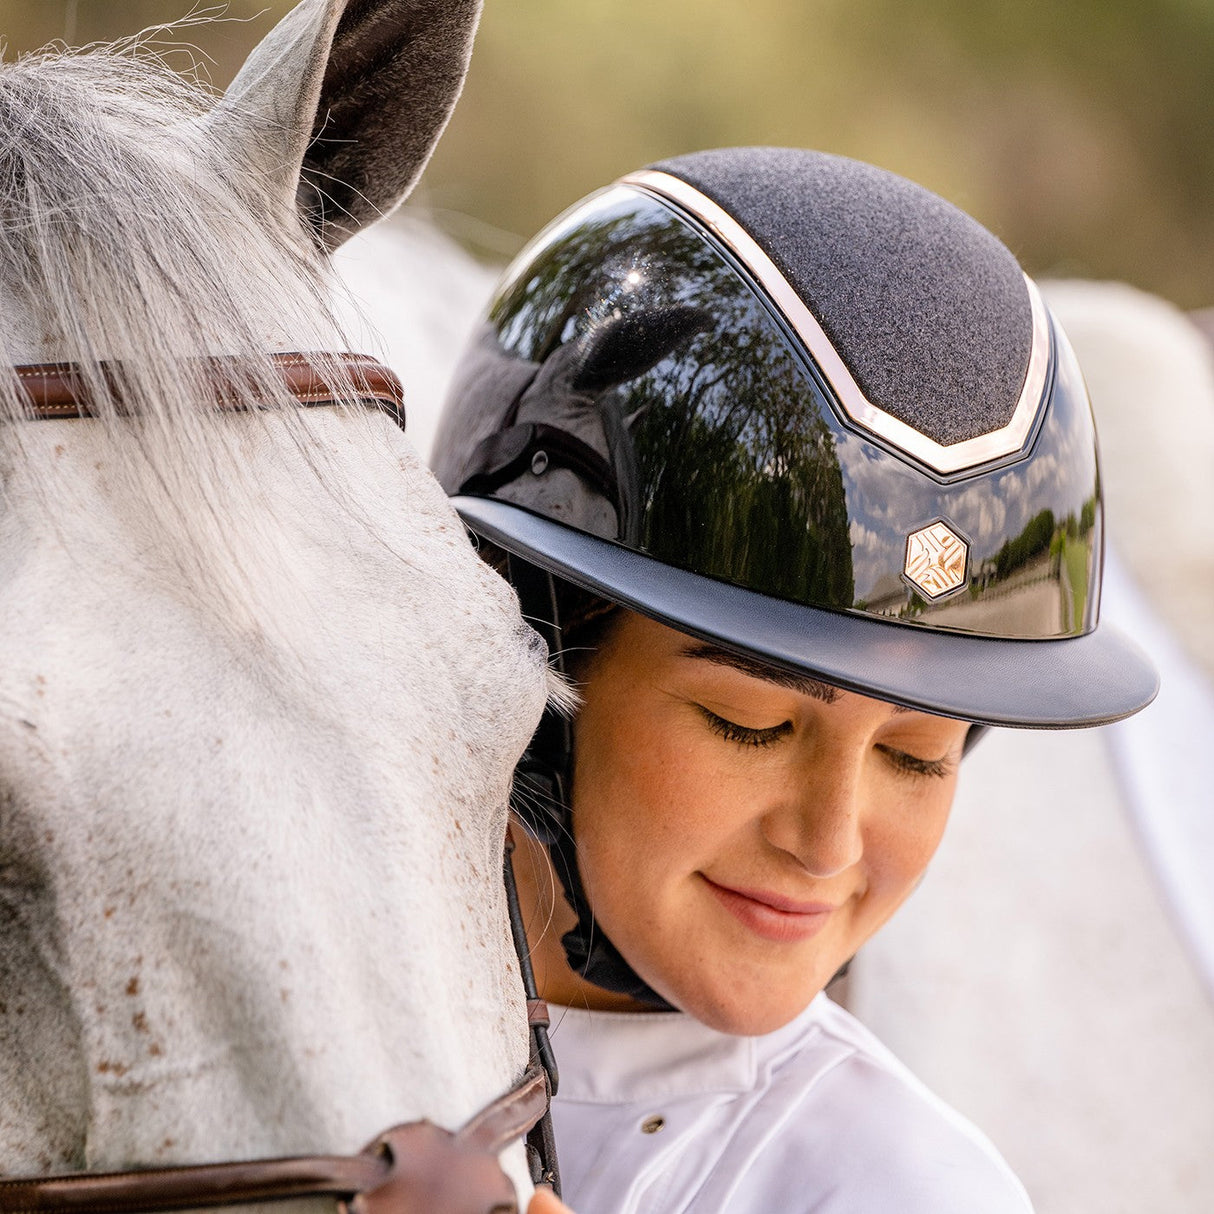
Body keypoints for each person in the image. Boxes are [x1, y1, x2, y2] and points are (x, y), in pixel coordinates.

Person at [430, 147, 1158, 1213]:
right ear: (529, 655)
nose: (828, 843)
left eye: (916, 753)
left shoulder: (900, 1187)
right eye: (750, 722)